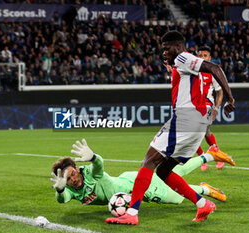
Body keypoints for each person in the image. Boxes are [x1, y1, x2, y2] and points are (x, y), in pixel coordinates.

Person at [106, 30, 235, 225]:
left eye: (167, 49)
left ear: (177, 46)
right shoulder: (183, 64)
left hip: (185, 120)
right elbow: (192, 79)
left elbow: (215, 68)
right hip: (198, 125)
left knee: (148, 161)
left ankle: (131, 213)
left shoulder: (183, 57)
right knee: (163, 171)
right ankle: (202, 204)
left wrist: (230, 98)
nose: (164, 52)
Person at [50, 139, 227, 207]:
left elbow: (99, 167)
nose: (72, 179)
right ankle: (208, 157)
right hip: (128, 180)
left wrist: (94, 157)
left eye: (72, 173)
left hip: (137, 186)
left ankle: (204, 188)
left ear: (77, 168)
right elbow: (63, 198)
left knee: (177, 197)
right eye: (67, 177)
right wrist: (59, 190)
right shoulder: (70, 189)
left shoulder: (88, 173)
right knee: (173, 172)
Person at [195, 46, 224, 171]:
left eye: (205, 55)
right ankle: (209, 156)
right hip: (193, 105)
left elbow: (219, 91)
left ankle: (203, 158)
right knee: (204, 132)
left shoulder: (212, 72)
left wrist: (216, 108)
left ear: (209, 58)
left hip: (207, 105)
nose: (202, 58)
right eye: (200, 55)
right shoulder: (193, 71)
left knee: (196, 131)